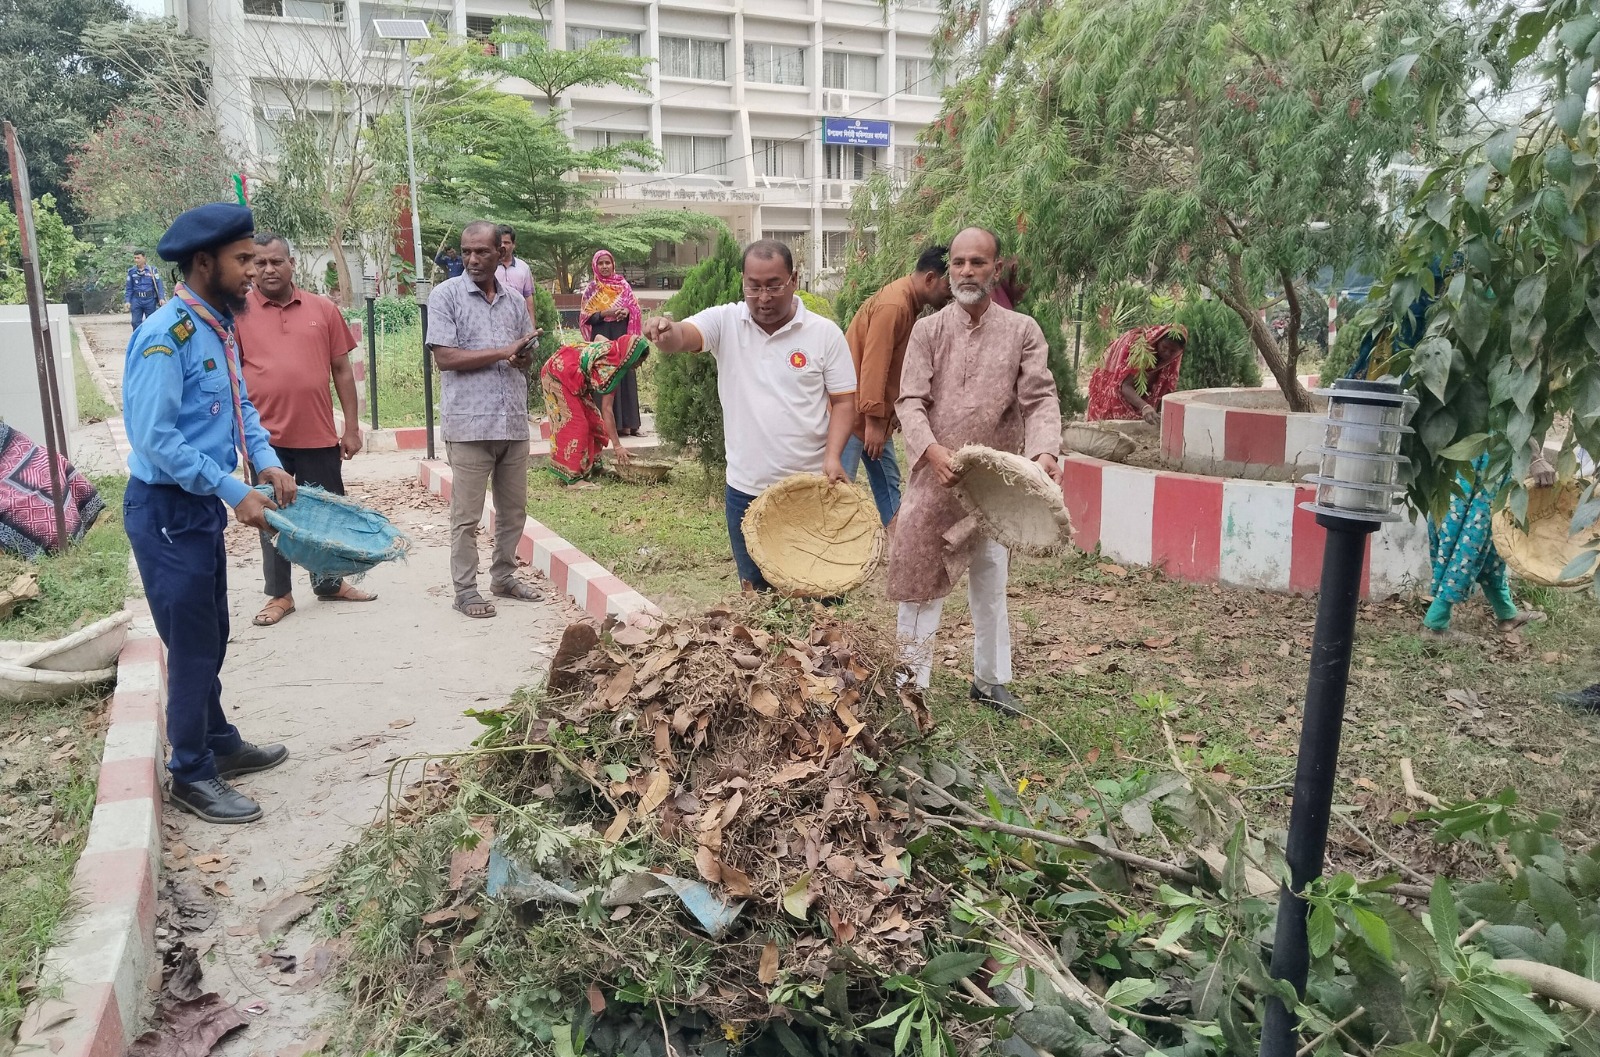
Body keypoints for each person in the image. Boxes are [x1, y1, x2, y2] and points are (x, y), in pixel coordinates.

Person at [122, 202, 297, 825]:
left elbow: (239, 407)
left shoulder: (215, 326)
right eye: (243, 260)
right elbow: (156, 440)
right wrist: (231, 488)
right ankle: (191, 771)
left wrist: (269, 462)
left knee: (211, 632)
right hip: (167, 509)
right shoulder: (165, 336)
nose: (255, 271)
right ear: (205, 263)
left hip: (194, 511)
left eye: (256, 259)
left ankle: (218, 738)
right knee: (194, 644)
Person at [890, 227, 1061, 715]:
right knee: (919, 582)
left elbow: (1040, 398)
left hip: (993, 483)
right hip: (934, 476)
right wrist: (933, 452)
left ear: (996, 269)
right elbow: (910, 402)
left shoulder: (1022, 330)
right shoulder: (928, 331)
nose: (967, 271)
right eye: (959, 263)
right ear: (949, 270)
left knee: (989, 580)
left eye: (978, 263)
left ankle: (990, 679)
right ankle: (909, 684)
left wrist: (1045, 452)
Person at [642, 240, 856, 591]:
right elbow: (683, 336)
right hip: (746, 492)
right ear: (743, 281)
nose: (764, 297)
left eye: (774, 285)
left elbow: (845, 401)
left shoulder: (824, 334)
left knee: (820, 599)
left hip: (810, 492)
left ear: (794, 280)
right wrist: (665, 331)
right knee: (758, 600)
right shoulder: (726, 322)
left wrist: (833, 456)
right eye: (753, 287)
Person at [237, 232, 375, 627]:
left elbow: (342, 370)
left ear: (292, 263)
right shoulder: (238, 314)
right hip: (265, 443)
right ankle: (280, 595)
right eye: (259, 263)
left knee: (328, 514)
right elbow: (231, 380)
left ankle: (329, 583)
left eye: (276, 261)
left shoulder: (322, 309)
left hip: (318, 435)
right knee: (271, 518)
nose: (268, 269)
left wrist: (351, 428)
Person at [429, 220, 542, 619]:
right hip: (469, 425)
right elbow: (444, 357)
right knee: (466, 517)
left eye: (482, 252)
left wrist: (521, 355)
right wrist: (502, 351)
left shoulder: (514, 301)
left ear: (501, 254)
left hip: (511, 422)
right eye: (466, 252)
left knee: (514, 511)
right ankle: (465, 590)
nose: (473, 259)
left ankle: (504, 576)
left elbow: (524, 352)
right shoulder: (446, 296)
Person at [842, 244, 951, 525]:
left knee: (890, 487)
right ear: (930, 278)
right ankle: (828, 560)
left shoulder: (906, 302)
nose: (951, 294)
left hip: (873, 417)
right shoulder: (894, 305)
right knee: (837, 493)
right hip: (855, 417)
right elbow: (874, 364)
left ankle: (900, 549)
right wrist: (874, 422)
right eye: (947, 285)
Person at [1423, 450, 1549, 641]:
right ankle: (1435, 625)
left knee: (1491, 541)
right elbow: (1509, 420)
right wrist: (1535, 459)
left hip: (1483, 461)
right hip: (1479, 462)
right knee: (1467, 540)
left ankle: (1506, 613)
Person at [542, 335, 650, 483]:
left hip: (574, 378)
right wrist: (617, 447)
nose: (639, 366)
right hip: (557, 375)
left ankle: (594, 466)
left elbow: (598, 337)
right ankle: (574, 477)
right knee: (578, 425)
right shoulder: (611, 368)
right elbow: (607, 409)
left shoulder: (615, 348)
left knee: (594, 421)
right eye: (639, 360)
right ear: (631, 356)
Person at [578, 249, 644, 437]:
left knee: (624, 375)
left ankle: (629, 425)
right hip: (601, 336)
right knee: (604, 376)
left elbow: (634, 308)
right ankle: (606, 426)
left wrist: (627, 312)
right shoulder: (592, 289)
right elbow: (585, 317)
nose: (605, 266)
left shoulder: (623, 285)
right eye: (601, 263)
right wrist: (604, 313)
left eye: (608, 263)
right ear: (595, 266)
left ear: (613, 264)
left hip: (621, 335)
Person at [1085, 324, 1188, 424]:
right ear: (1158, 340)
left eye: (1172, 351)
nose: (1167, 353)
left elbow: (1165, 390)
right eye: (1164, 347)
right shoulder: (1141, 350)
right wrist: (1145, 407)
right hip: (1121, 385)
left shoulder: (1173, 360)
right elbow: (1125, 386)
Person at [494, 225, 536, 319]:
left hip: (518, 320)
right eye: (500, 243)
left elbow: (528, 299)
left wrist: (532, 326)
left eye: (507, 242)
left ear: (513, 244)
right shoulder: (489, 267)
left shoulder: (523, 268)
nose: (503, 246)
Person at [125, 250, 166, 329]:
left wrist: (161, 298)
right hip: (137, 300)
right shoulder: (132, 271)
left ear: (144, 258)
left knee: (151, 322)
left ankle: (150, 340)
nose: (136, 260)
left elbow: (159, 284)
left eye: (138, 258)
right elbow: (129, 288)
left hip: (150, 300)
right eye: (135, 258)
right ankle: (138, 340)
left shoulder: (152, 270)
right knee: (135, 322)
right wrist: (127, 301)